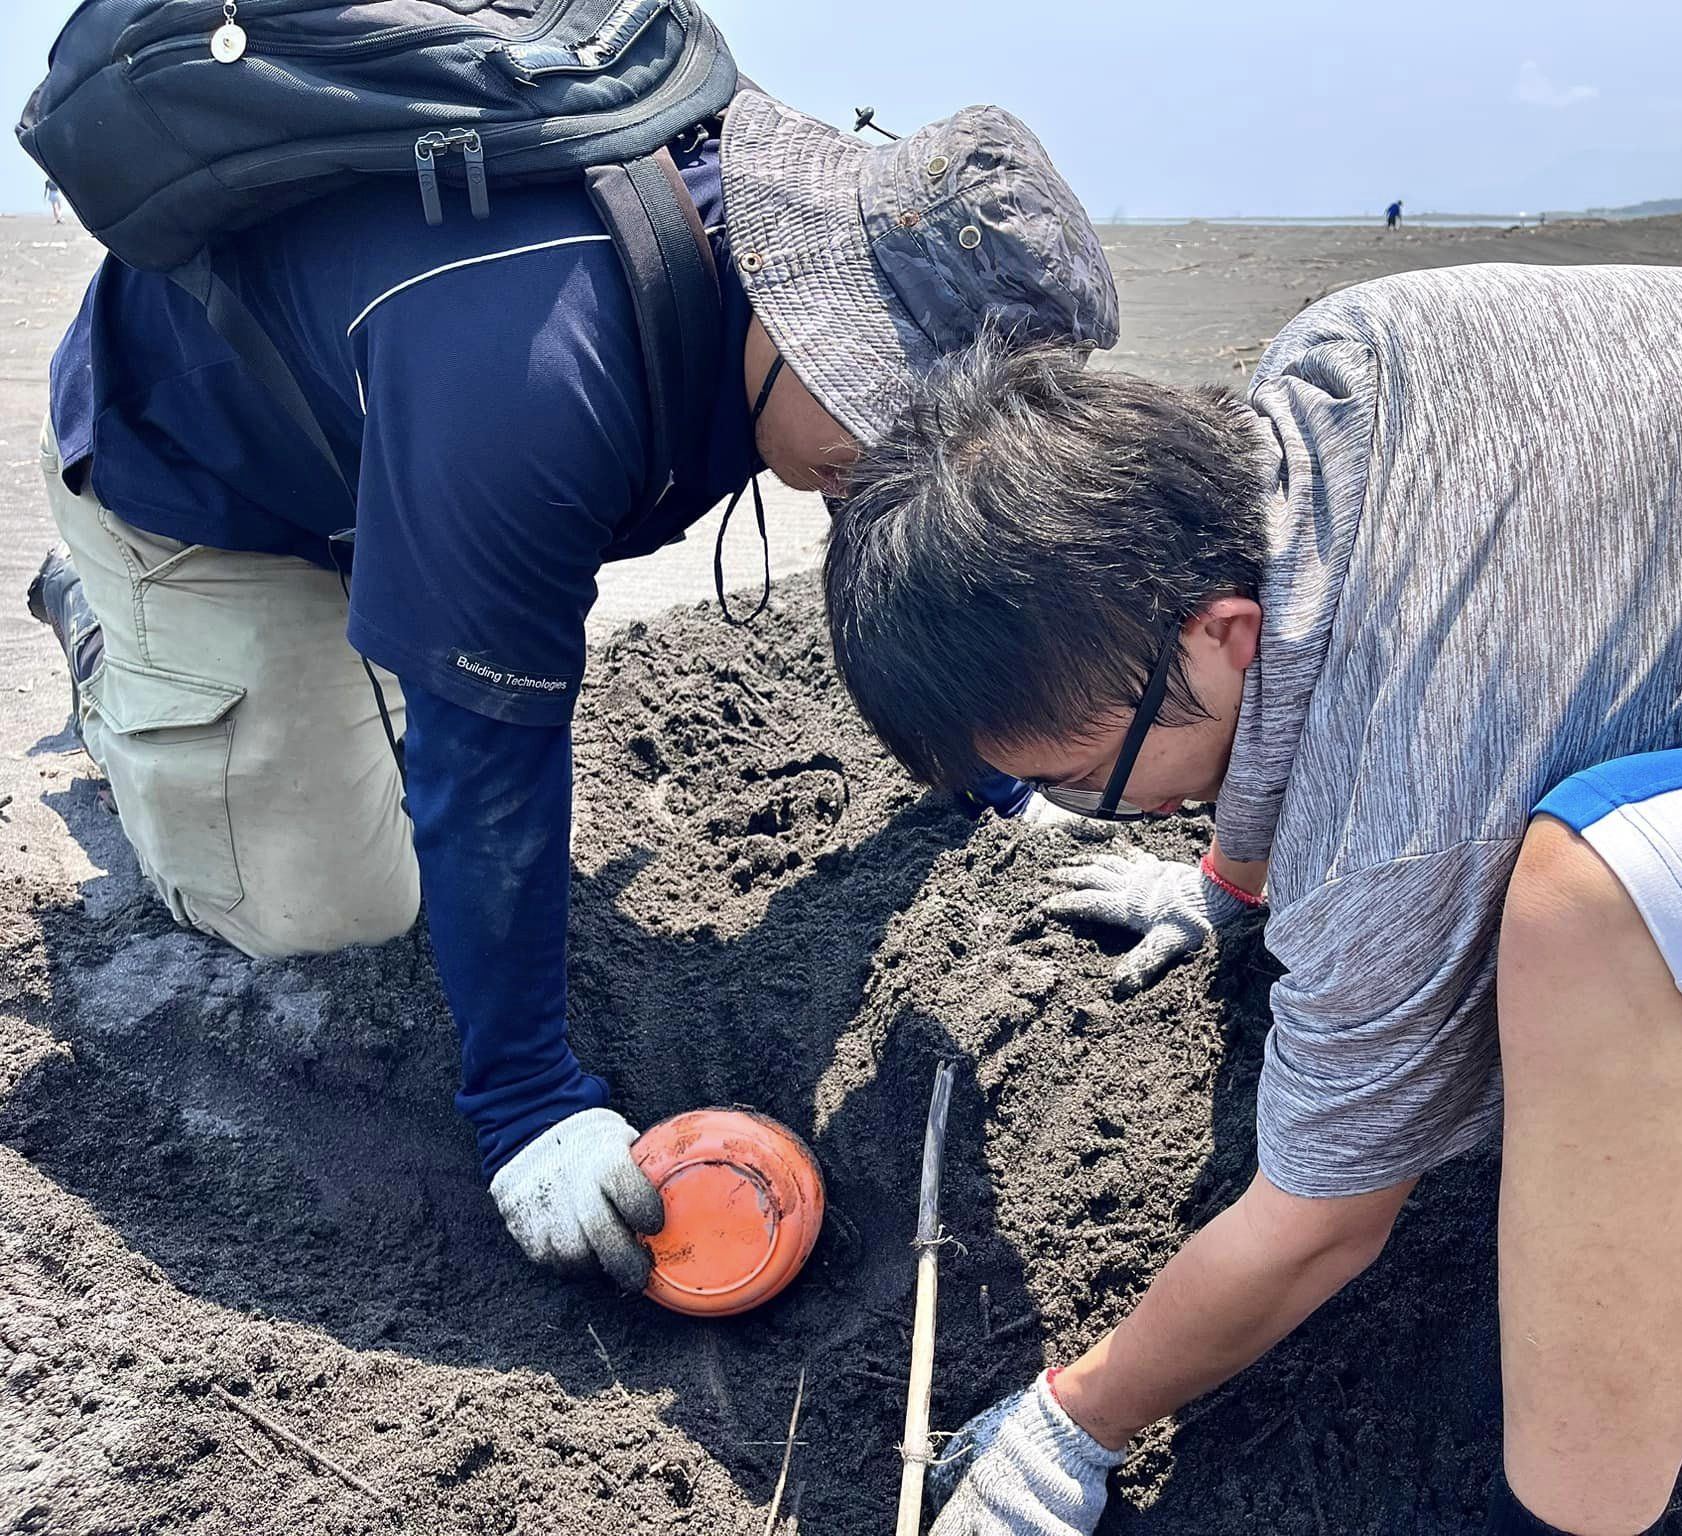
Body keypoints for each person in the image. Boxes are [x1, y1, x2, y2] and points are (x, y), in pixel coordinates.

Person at [822, 264, 1682, 1535]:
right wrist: (1224, 878)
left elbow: (1318, 1228)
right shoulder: (1335, 369)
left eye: (1086, 780)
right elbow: (1307, 694)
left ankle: (1569, 1520)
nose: (1096, 811)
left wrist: (1072, 1422)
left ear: (1219, 634)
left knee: (1608, 915)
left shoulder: (1404, 794)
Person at [24, 91, 1117, 1293]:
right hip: (214, 492)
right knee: (328, 912)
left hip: (422, 469)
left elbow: (909, 571)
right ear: (812, 321)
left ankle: (362, 648)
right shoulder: (537, 373)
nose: (906, 467)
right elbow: (490, 770)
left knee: (436, 682)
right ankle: (107, 647)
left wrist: (1001, 767)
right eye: (891, 426)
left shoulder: (823, 242)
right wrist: (530, 1105)